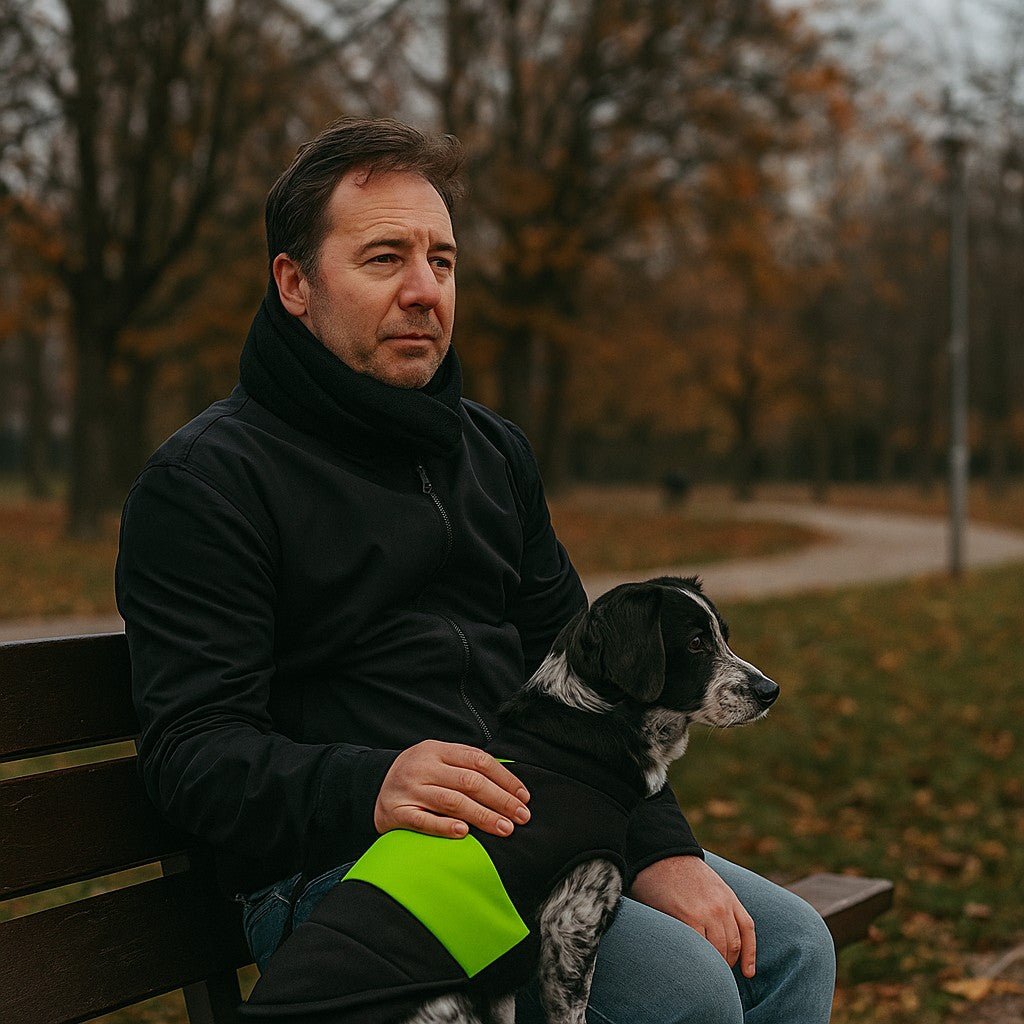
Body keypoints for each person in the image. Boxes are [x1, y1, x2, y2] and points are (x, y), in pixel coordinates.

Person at [116, 117, 835, 1023]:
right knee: (686, 993)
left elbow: (597, 683)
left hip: (539, 824)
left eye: (443, 261)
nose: (425, 291)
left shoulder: (491, 453)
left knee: (793, 948)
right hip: (350, 869)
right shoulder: (207, 483)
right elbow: (193, 752)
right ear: (295, 284)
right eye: (385, 258)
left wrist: (658, 846)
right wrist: (374, 782)